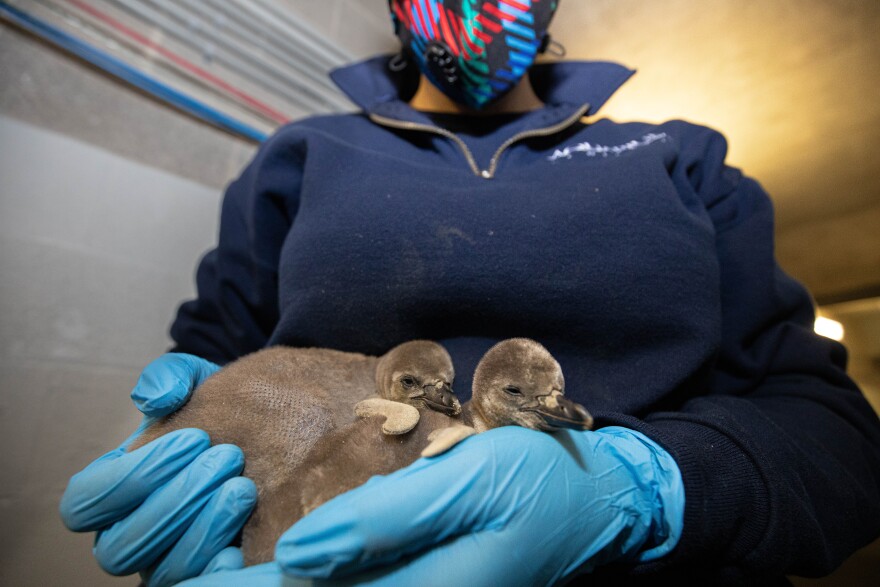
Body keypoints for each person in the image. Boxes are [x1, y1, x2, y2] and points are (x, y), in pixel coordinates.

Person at [60, 2, 880, 586]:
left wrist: (642, 487)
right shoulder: (299, 157)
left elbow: (837, 437)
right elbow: (216, 354)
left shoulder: (682, 160)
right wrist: (181, 429)